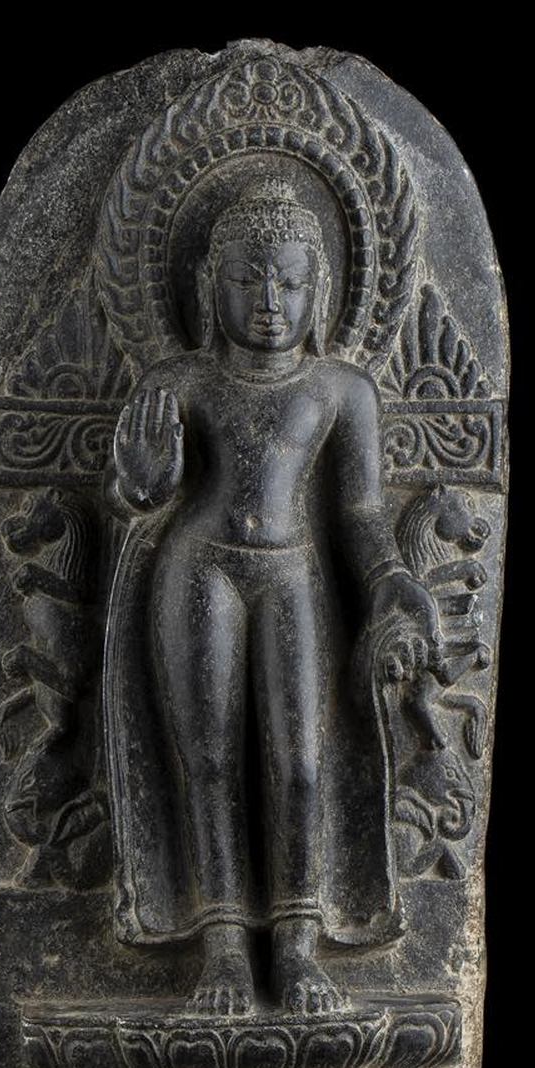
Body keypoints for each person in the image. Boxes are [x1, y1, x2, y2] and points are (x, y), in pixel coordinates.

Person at [109, 180, 439, 1015]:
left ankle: (297, 949)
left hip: (295, 573)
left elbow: (360, 515)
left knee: (300, 760)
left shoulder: (341, 391)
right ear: (207, 287)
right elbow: (137, 496)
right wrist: (142, 488)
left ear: (319, 290)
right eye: (247, 279)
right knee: (210, 759)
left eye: (289, 282)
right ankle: (222, 952)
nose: (268, 302)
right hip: (200, 568)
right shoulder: (180, 382)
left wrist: (392, 580)